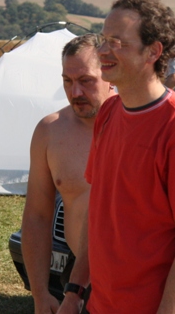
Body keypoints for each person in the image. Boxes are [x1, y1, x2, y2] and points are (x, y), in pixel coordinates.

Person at [61, 0, 175, 314]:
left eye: (117, 42)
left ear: (153, 51)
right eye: (104, 40)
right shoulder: (108, 112)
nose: (103, 51)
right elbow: (97, 211)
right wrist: (74, 291)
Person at [21, 34, 115, 314]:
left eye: (86, 81)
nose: (75, 92)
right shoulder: (51, 132)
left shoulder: (138, 125)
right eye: (67, 81)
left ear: (110, 75)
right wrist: (40, 293)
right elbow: (37, 216)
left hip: (138, 273)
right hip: (80, 278)